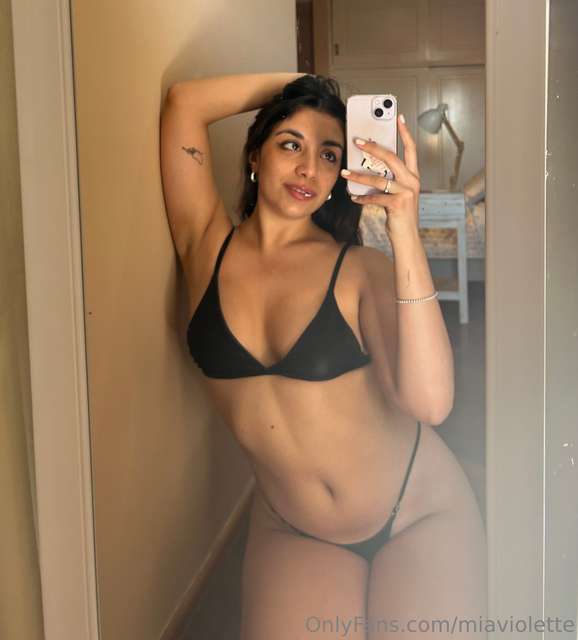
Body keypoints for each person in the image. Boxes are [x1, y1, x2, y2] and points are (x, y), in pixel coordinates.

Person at [160, 72, 487, 640]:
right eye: (291, 145)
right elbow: (185, 103)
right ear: (255, 155)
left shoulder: (358, 269)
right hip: (294, 526)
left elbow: (431, 404)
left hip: (417, 513)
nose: (309, 168)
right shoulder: (205, 246)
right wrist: (307, 85)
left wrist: (404, 230)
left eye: (329, 154)